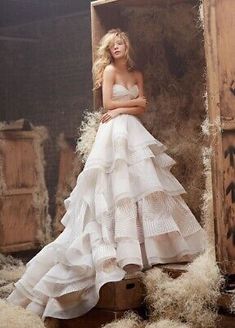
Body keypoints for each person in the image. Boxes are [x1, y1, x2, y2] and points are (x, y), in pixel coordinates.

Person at [7, 28, 206, 320]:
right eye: (112, 45)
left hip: (132, 131)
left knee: (144, 185)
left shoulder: (137, 74)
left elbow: (143, 105)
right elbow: (109, 106)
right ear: (108, 51)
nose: (117, 47)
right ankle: (120, 251)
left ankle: (147, 249)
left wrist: (128, 107)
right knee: (118, 186)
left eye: (120, 43)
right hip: (113, 135)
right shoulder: (110, 72)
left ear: (128, 46)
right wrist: (130, 105)